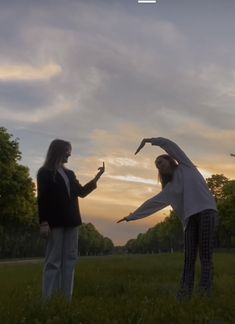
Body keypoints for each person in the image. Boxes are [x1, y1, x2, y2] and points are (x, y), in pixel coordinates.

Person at [117, 137, 217, 300]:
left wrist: (150, 140)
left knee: (205, 256)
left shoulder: (186, 166)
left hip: (206, 211)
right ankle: (184, 294)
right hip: (190, 218)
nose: (159, 166)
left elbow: (170, 145)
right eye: (157, 165)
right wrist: (131, 217)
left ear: (170, 161)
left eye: (160, 162)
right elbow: (152, 203)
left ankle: (205, 294)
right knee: (189, 258)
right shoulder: (170, 189)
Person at [37, 139, 105, 301]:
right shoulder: (44, 172)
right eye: (68, 150)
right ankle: (48, 301)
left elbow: (80, 192)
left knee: (70, 260)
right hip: (55, 222)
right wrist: (44, 222)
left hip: (72, 222)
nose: (70, 154)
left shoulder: (69, 174)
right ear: (59, 151)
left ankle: (65, 300)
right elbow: (42, 199)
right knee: (53, 261)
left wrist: (97, 178)